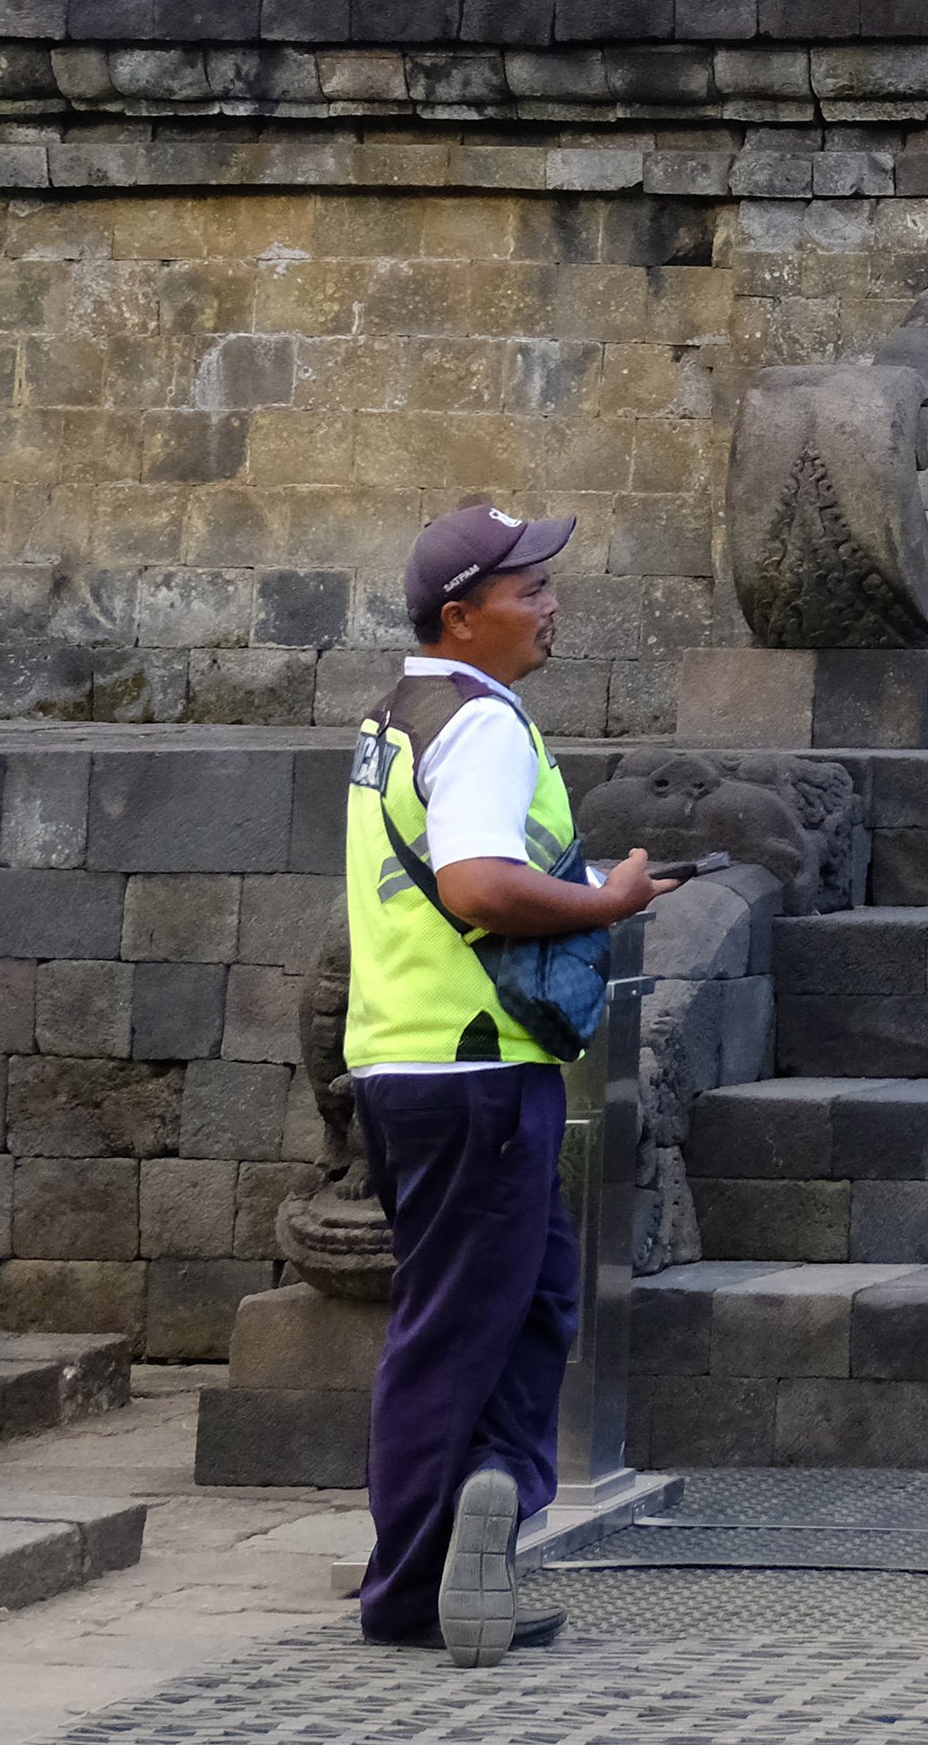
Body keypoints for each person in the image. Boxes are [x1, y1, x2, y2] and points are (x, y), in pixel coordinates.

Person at [347, 503, 664, 1668]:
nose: (549, 605)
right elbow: (478, 885)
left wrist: (587, 885)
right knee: (452, 1327)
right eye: (528, 589)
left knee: (530, 1305)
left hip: (422, 1059)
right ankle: (412, 1584)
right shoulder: (476, 725)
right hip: (471, 1069)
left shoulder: (402, 711)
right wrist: (606, 904)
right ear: (461, 615)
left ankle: (488, 1499)